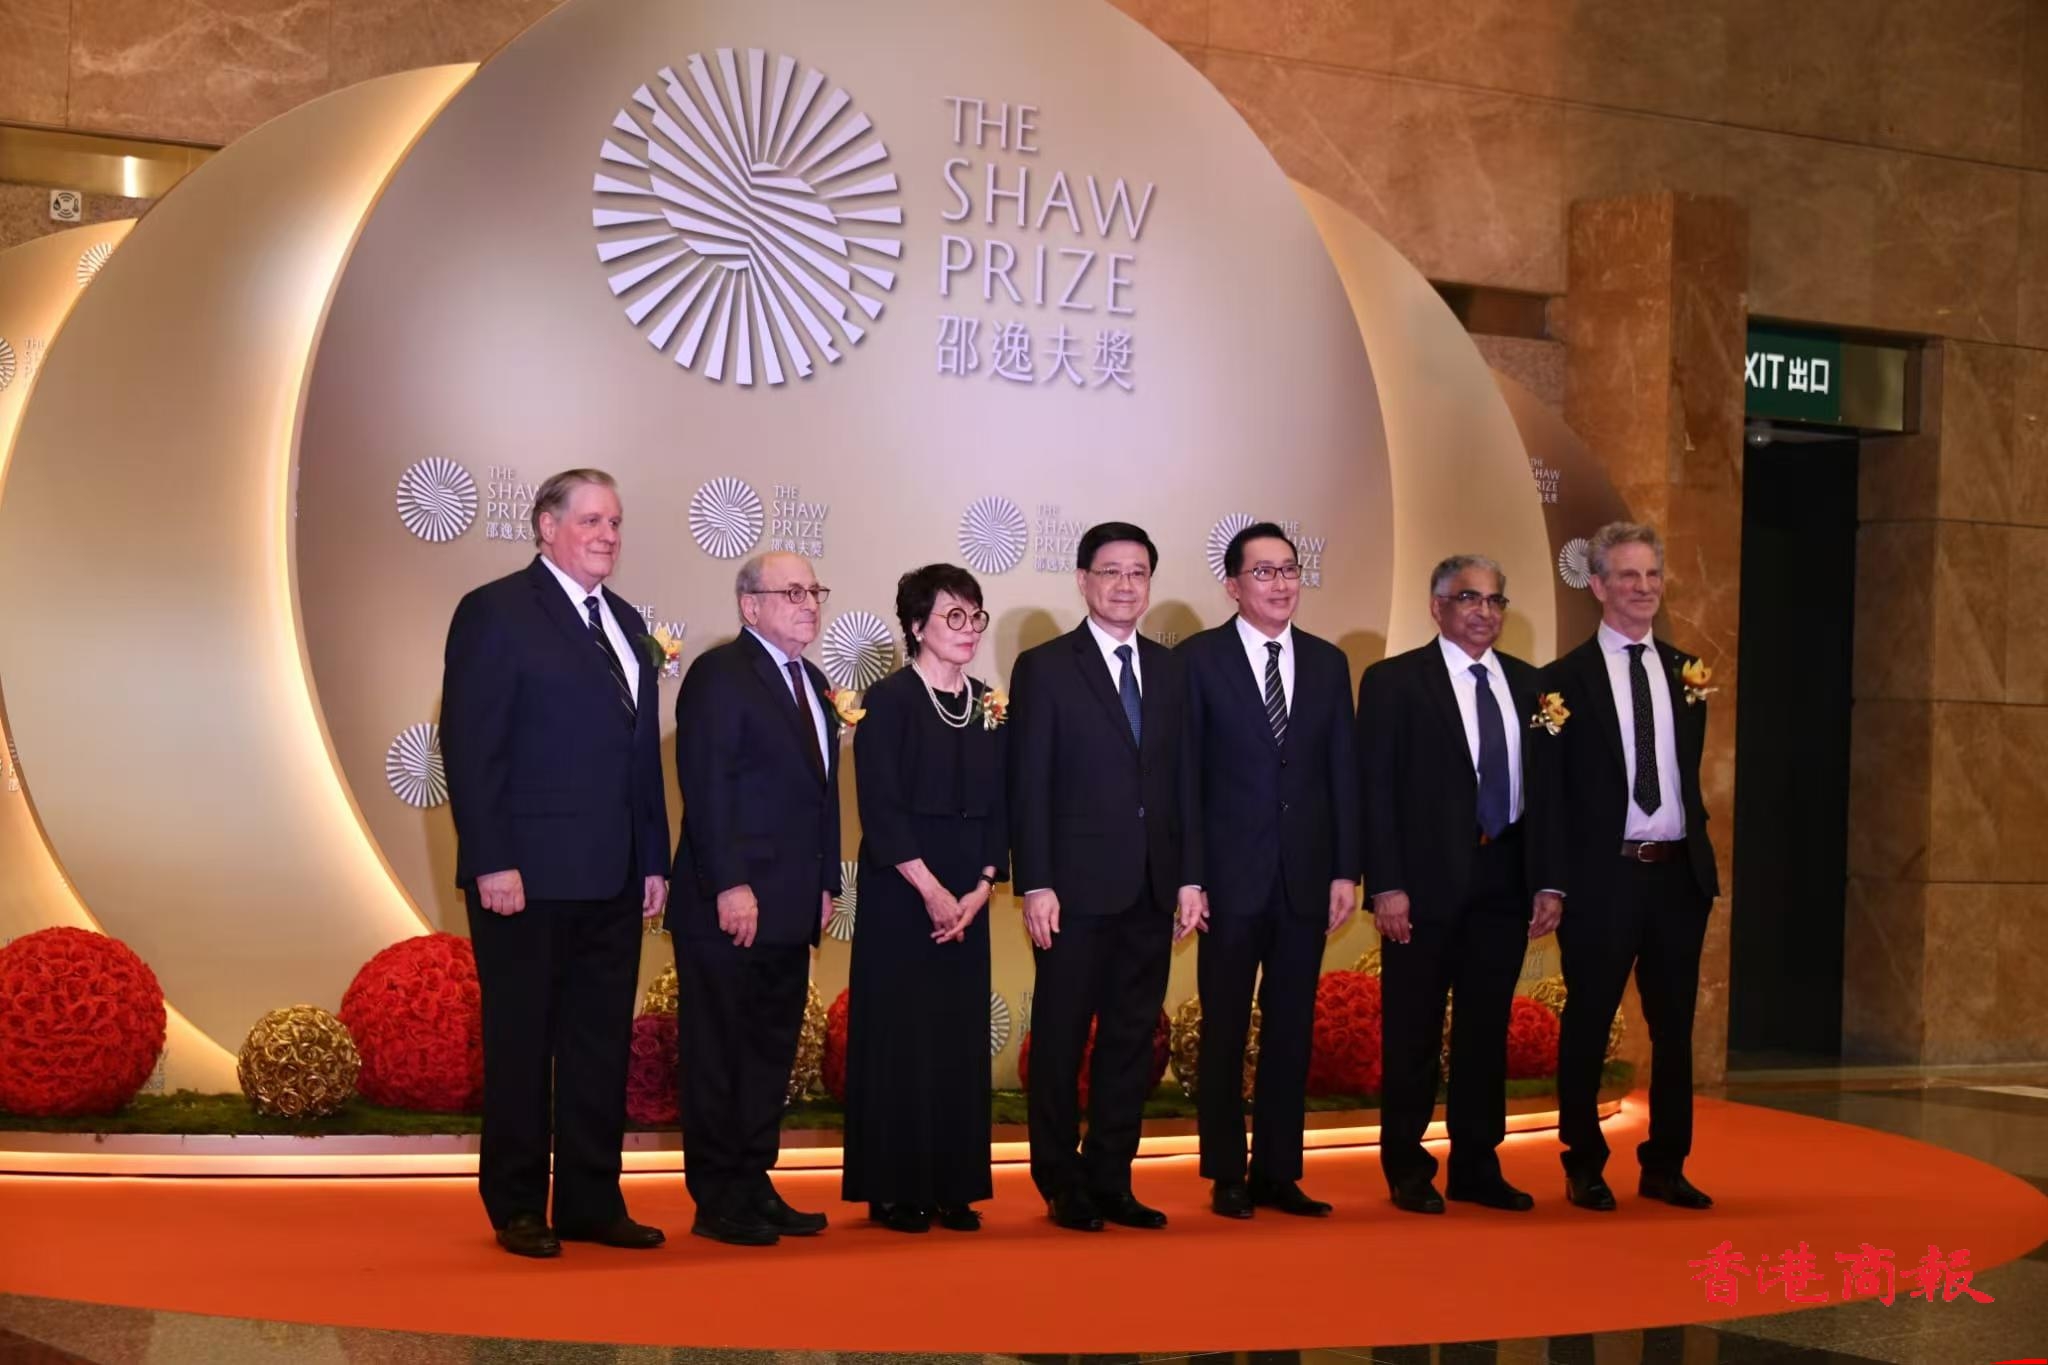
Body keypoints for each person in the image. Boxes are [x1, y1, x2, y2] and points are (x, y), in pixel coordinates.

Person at [439, 468, 671, 1259]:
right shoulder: (496, 610)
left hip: (614, 874)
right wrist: (492, 859)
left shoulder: (627, 621)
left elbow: (639, 757)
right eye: (592, 520)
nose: (608, 534)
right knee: (521, 1042)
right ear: (546, 525)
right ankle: (516, 1205)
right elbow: (472, 745)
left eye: (616, 522)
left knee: (599, 1045)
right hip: (526, 877)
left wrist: (652, 856)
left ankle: (590, 1200)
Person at [1359, 554, 1561, 1216]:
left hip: (1504, 880)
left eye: (1495, 600)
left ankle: (1476, 1163)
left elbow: (1548, 795)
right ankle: (1407, 1166)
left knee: (1484, 1030)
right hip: (1420, 886)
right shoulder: (1394, 681)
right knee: (1413, 1030)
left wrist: (1548, 881)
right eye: (1469, 597)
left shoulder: (1531, 685)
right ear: (1437, 606)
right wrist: (1386, 884)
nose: (1484, 611)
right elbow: (1375, 791)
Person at [1529, 521, 1720, 1212]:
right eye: (1628, 575)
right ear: (1598, 585)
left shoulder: (1689, 673)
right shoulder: (1559, 682)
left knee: (1673, 1029)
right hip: (1600, 879)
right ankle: (1583, 1162)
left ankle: (1666, 1164)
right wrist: (1551, 881)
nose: (1643, 588)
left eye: (1652, 575)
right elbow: (1547, 794)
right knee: (1588, 1022)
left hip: (1677, 877)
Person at [1007, 520, 1190, 1233]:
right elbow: (1029, 783)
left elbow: (1183, 786)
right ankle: (1061, 1181)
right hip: (1073, 890)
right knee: (1060, 1040)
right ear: (1083, 580)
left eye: (1138, 572)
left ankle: (1112, 1175)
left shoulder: (1171, 670)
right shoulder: (1047, 667)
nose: (1125, 585)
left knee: (1130, 1039)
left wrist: (1189, 878)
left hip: (1151, 886)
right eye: (1111, 571)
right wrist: (1036, 881)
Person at [1176, 522, 1360, 1220]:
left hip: (1304, 879)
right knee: (1224, 1028)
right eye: (1264, 572)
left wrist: (1344, 869)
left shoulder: (1328, 662)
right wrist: (1191, 876)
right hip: (1228, 881)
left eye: (1289, 569)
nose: (1281, 583)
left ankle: (1279, 1170)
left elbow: (1342, 772)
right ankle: (1226, 1171)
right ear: (1232, 585)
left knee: (1291, 1028)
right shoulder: (1198, 660)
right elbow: (1186, 781)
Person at [670, 551, 842, 1245]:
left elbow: (823, 796)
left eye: (814, 591)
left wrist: (827, 880)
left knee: (770, 1050)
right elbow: (706, 784)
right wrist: (730, 882)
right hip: (729, 904)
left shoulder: (815, 682)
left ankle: (754, 1179)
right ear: (750, 606)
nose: (809, 603)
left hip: (792, 903)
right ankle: (716, 1196)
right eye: (792, 592)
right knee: (720, 1050)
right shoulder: (720, 674)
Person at [841, 564, 1007, 1234]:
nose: (968, 629)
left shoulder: (991, 705)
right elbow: (880, 809)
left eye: (975, 616)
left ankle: (953, 1185)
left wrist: (982, 887)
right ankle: (895, 1187)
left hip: (969, 895)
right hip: (903, 892)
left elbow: (1004, 806)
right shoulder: (888, 701)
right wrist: (933, 891)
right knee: (900, 1037)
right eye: (952, 616)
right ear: (916, 626)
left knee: (958, 1037)